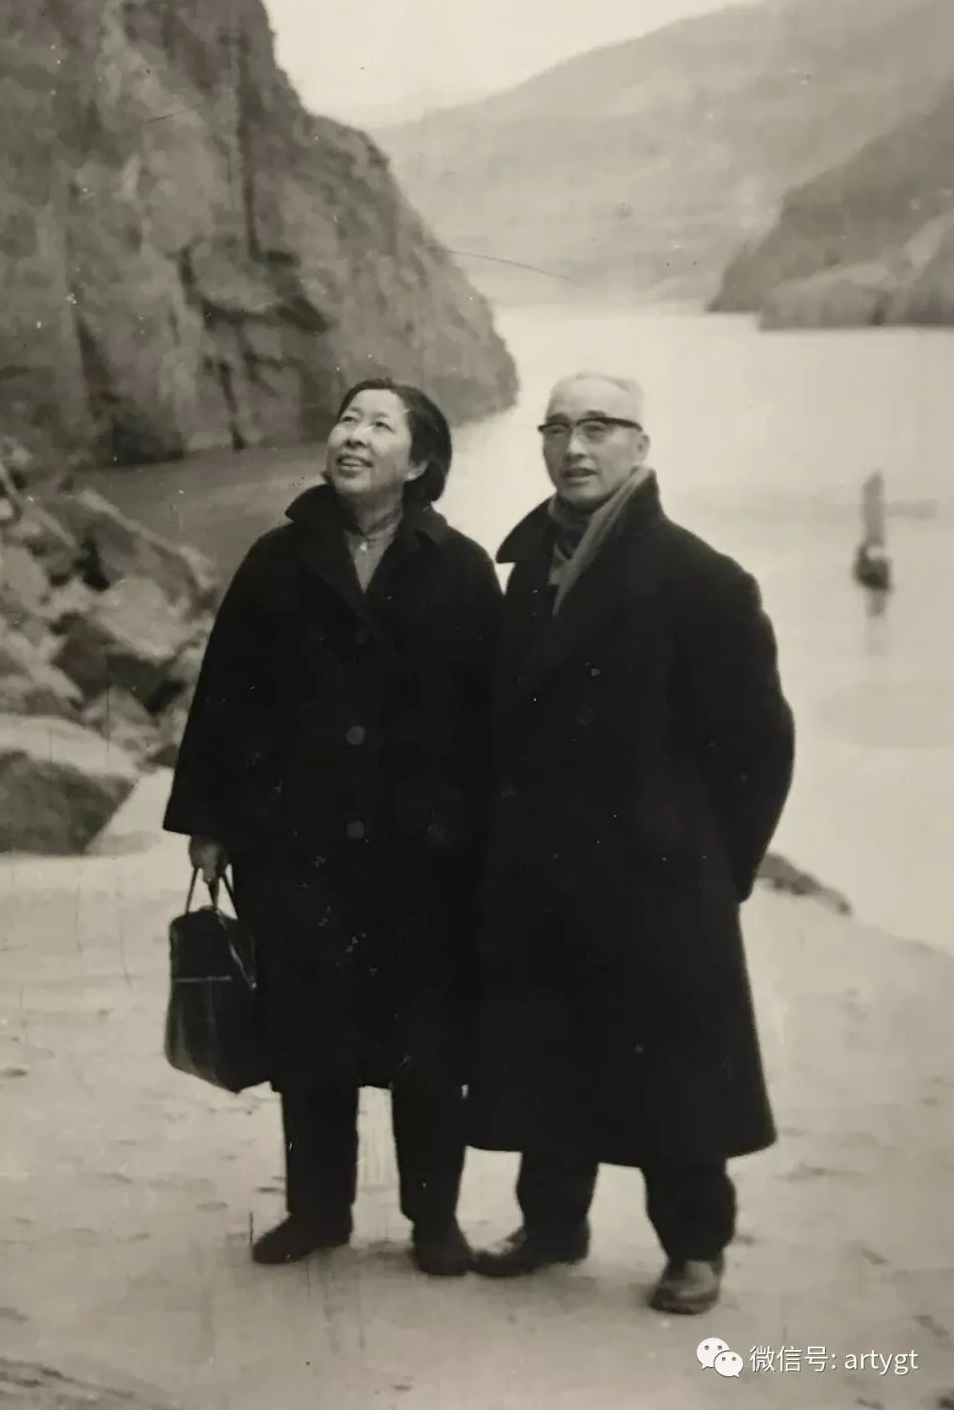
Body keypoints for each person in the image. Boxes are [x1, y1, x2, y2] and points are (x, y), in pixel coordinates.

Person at [466, 371, 795, 1314]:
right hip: (544, 867)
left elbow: (759, 747)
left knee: (675, 1072)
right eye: (557, 428)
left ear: (640, 447)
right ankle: (552, 1225)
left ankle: (695, 1248)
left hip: (658, 875)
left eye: (599, 428)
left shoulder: (703, 580)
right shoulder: (530, 571)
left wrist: (713, 865)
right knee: (549, 1051)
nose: (575, 448)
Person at [163, 378, 502, 1277]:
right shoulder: (277, 559)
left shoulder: (463, 568)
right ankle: (318, 1212)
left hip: (425, 857)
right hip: (296, 845)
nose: (353, 436)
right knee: (308, 1035)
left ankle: (434, 1220)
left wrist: (487, 836)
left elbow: (493, 718)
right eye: (347, 419)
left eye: (379, 426)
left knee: (429, 1047)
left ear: (419, 463)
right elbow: (225, 694)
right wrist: (210, 821)